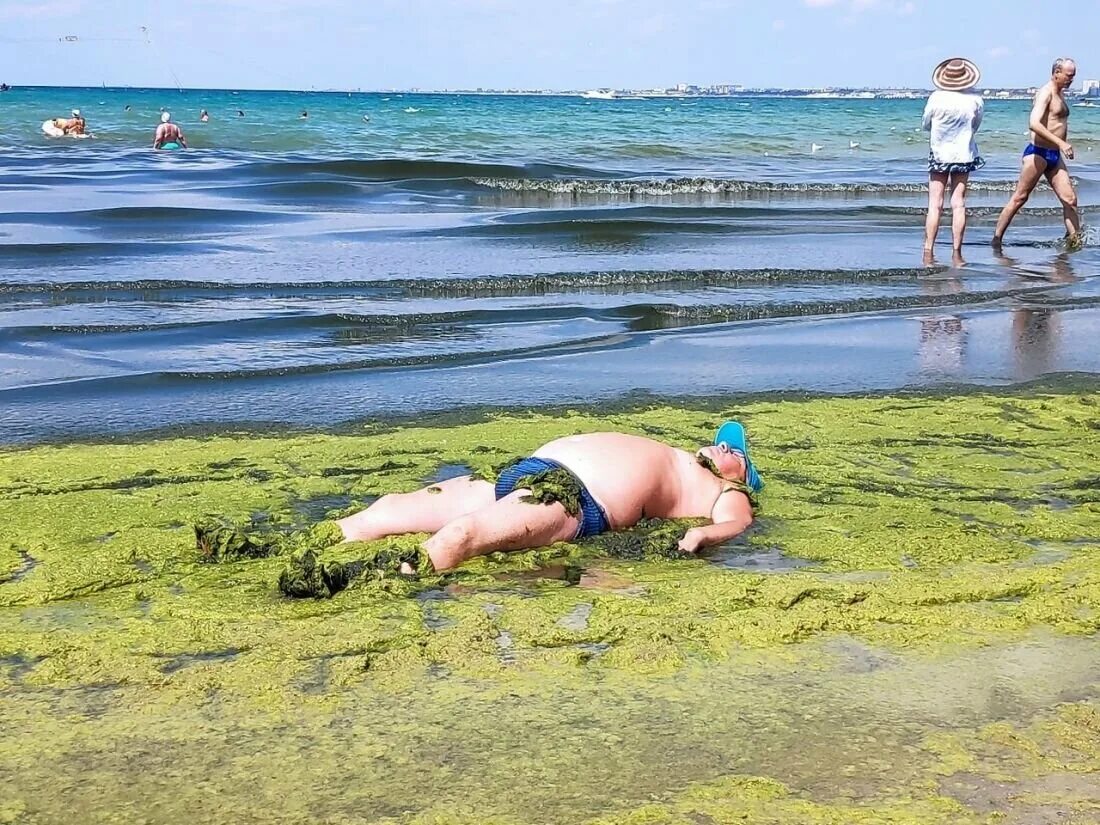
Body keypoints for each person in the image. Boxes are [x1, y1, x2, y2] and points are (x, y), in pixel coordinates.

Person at [336, 421, 763, 572]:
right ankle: (311, 545)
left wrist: (702, 538)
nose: (725, 447)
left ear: (743, 478)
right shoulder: (677, 456)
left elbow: (735, 523)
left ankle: (377, 588)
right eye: (723, 442)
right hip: (532, 472)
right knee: (390, 509)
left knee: (459, 537)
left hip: (576, 501)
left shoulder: (725, 490)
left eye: (736, 453)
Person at [993, 58, 1081, 247]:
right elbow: (1033, 123)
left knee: (1070, 200)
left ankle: (1074, 243)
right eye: (1068, 75)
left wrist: (1060, 146)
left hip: (1054, 156)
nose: (1071, 79)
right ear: (1057, 72)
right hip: (1037, 153)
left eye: (1073, 76)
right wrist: (1062, 143)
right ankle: (996, 239)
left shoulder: (1060, 93)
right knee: (1020, 198)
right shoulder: (1045, 93)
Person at [922, 58, 984, 258]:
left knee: (935, 203)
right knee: (958, 203)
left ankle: (929, 247)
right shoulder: (975, 99)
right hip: (964, 153)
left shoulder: (936, 98)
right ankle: (956, 250)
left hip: (939, 152)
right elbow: (975, 125)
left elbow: (926, 124)